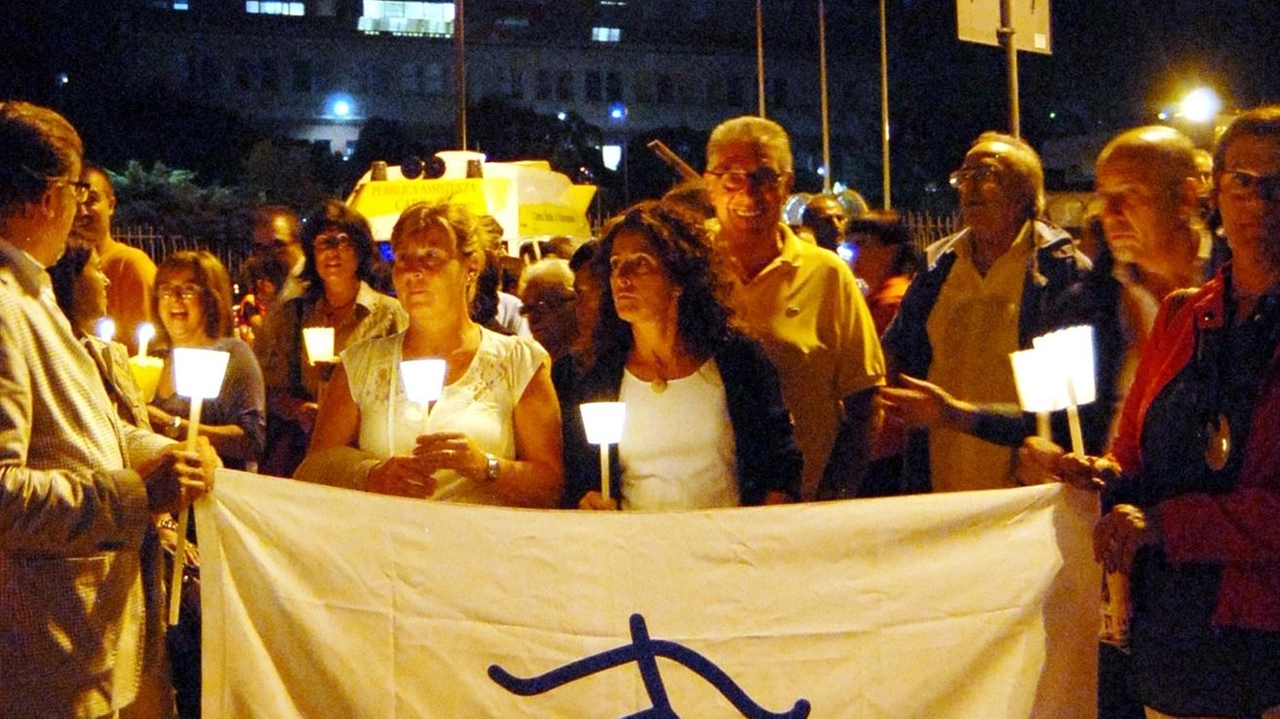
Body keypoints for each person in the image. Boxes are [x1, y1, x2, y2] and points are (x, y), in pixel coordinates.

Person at [1034, 106, 1280, 719]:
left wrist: (1167, 524)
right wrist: (1097, 473)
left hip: (1264, 648)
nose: (1260, 201)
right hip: (1173, 642)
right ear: (1218, 191)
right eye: (1243, 181)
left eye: (1277, 183)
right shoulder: (1180, 314)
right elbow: (1136, 458)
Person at [0, 100, 218, 719]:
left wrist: (164, 453)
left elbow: (83, 426)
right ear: (45, 197)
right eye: (74, 190)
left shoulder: (32, 292)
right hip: (43, 653)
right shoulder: (5, 305)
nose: (80, 209)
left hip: (81, 641)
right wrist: (136, 497)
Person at [296, 200, 563, 508]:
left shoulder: (517, 361)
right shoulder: (361, 365)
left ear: (471, 266)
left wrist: (485, 467)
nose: (414, 271)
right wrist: (371, 474)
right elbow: (313, 470)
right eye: (404, 258)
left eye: (431, 256)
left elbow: (551, 485)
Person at [879, 131, 1092, 494]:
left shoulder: (1059, 272)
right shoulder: (937, 268)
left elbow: (1072, 410)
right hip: (940, 489)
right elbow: (898, 355)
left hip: (1024, 492)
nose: (970, 187)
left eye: (987, 173)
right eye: (964, 176)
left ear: (1026, 191)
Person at [562, 201, 801, 510]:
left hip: (724, 548)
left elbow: (780, 465)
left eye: (641, 263)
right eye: (615, 264)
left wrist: (762, 532)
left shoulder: (736, 359)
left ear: (678, 279)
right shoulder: (594, 372)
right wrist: (588, 500)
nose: (622, 277)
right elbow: (580, 475)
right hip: (634, 550)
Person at [703, 115, 885, 501]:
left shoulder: (827, 276)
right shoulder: (684, 267)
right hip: (698, 509)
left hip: (799, 512)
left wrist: (832, 495)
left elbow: (865, 401)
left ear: (786, 186)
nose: (748, 194)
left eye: (764, 177)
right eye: (732, 177)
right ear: (710, 186)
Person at [255, 199, 405, 477]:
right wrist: (299, 409)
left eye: (342, 242)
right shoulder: (292, 315)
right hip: (304, 450)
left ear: (360, 249)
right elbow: (267, 387)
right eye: (323, 243)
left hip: (366, 452)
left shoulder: (388, 314)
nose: (332, 252)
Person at [147, 250, 266, 471]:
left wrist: (170, 425)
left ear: (211, 298)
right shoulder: (149, 360)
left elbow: (252, 441)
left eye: (188, 289)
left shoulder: (232, 355)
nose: (175, 298)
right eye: (165, 290)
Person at [48, 242, 151, 430]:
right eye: (98, 269)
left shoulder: (113, 353)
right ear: (70, 279)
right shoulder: (50, 357)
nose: (107, 281)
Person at [70, 164, 157, 355]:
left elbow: (147, 353)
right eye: (74, 201)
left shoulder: (131, 265)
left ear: (110, 205)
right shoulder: (57, 266)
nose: (81, 211)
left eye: (91, 200)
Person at [518, 257, 579, 363]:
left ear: (571, 302)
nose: (533, 319)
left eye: (542, 307)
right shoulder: (528, 362)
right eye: (527, 309)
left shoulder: (586, 363)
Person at [249, 204, 305, 306]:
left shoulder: (311, 292)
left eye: (278, 245)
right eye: (261, 248)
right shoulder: (280, 291)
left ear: (300, 244)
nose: (269, 255)